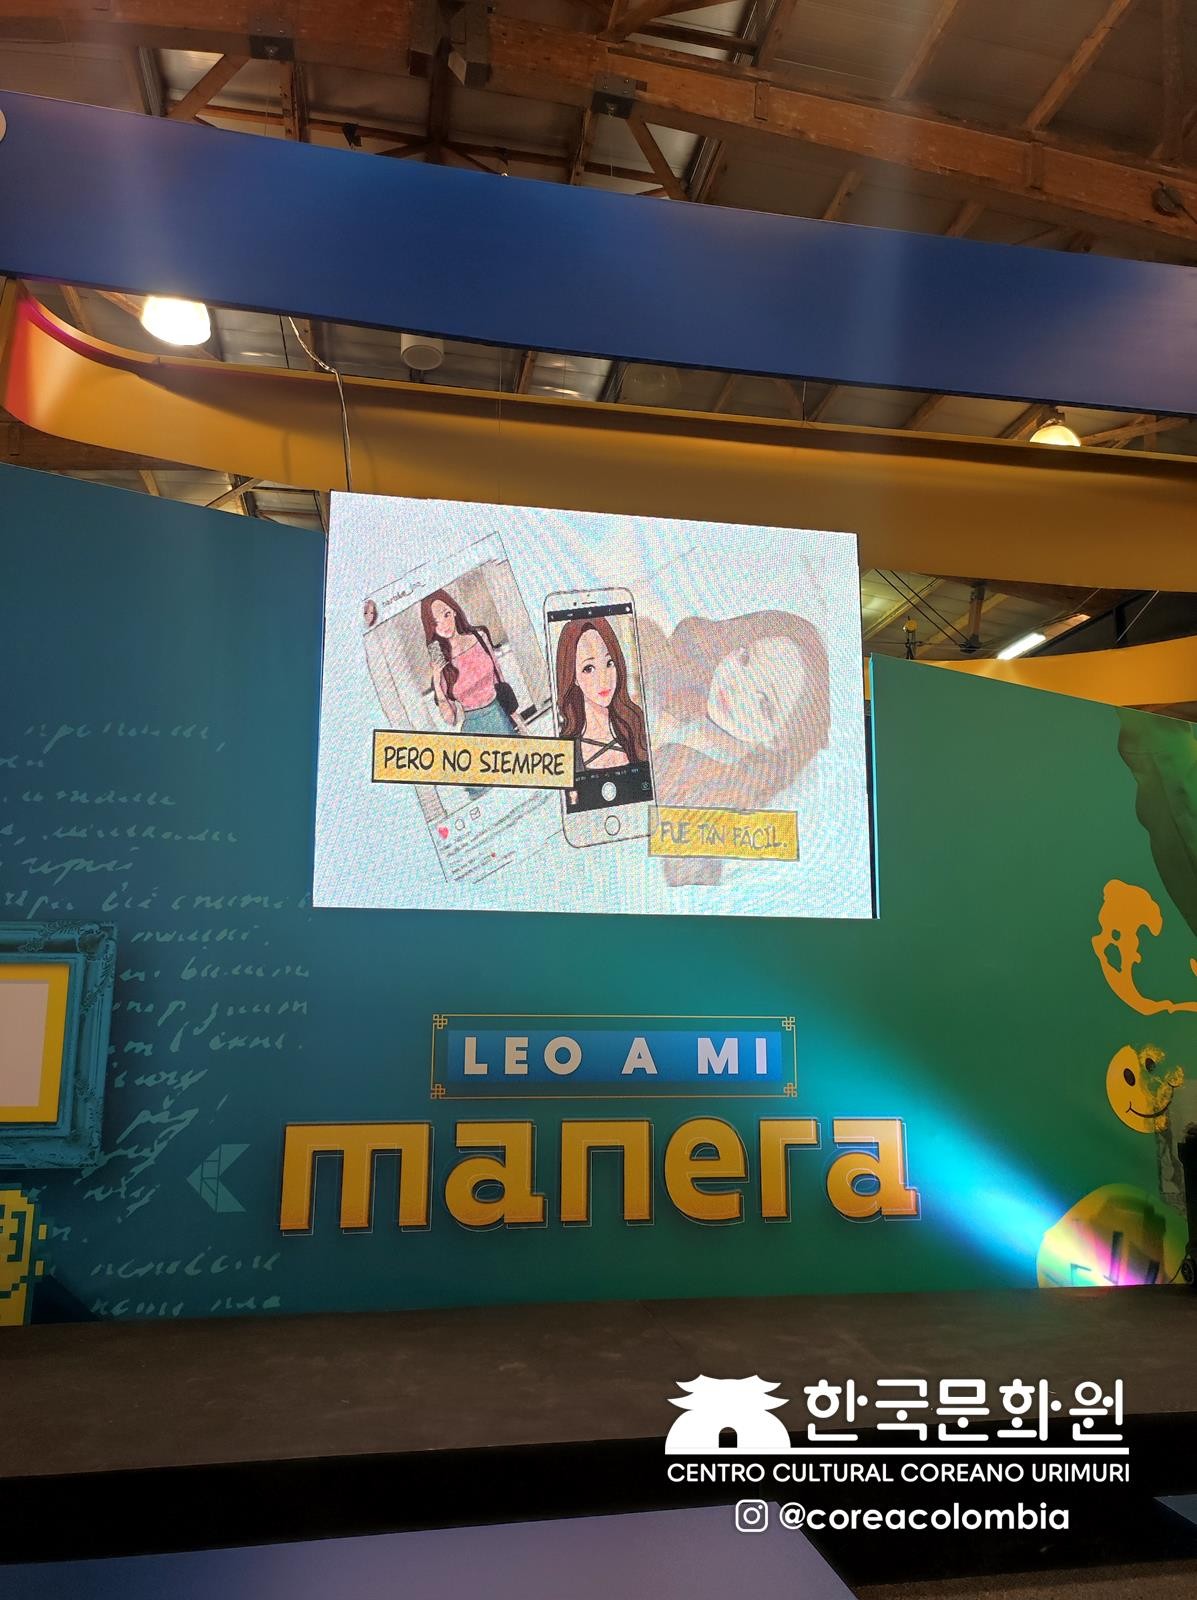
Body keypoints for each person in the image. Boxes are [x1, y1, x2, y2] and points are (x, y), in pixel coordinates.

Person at [637, 611, 831, 884]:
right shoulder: (665, 669)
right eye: (745, 659)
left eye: (764, 703)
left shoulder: (725, 798)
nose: (737, 687)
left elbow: (679, 880)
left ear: (777, 740)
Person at [422, 588, 526, 737]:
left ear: (454, 611)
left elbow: (500, 681)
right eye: (436, 623)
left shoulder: (479, 636)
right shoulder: (441, 659)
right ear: (431, 628)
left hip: (498, 715)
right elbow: (451, 719)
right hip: (473, 727)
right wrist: (437, 683)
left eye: (446, 615)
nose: (444, 625)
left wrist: (520, 723)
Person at [555, 614, 649, 775]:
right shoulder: (567, 749)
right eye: (589, 668)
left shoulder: (635, 721)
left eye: (609, 663)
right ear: (573, 677)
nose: (603, 679)